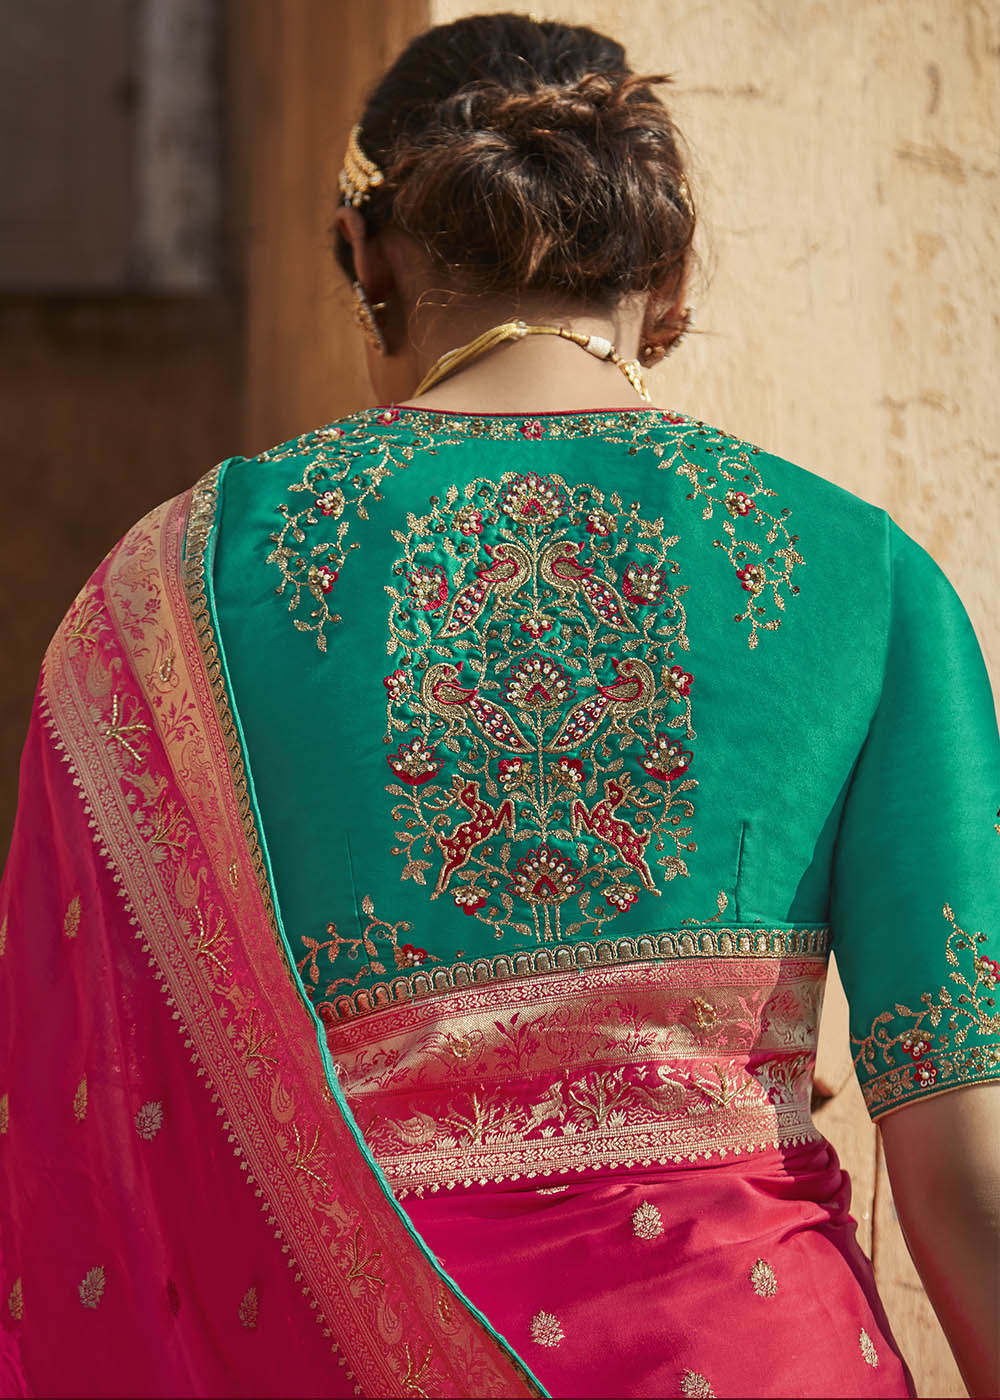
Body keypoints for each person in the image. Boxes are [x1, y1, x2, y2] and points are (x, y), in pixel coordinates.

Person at [1, 12, 998, 1398]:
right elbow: (968, 1165)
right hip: (759, 1353)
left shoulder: (181, 585)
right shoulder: (869, 578)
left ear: (370, 256)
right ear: (670, 273)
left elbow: (92, 1124)